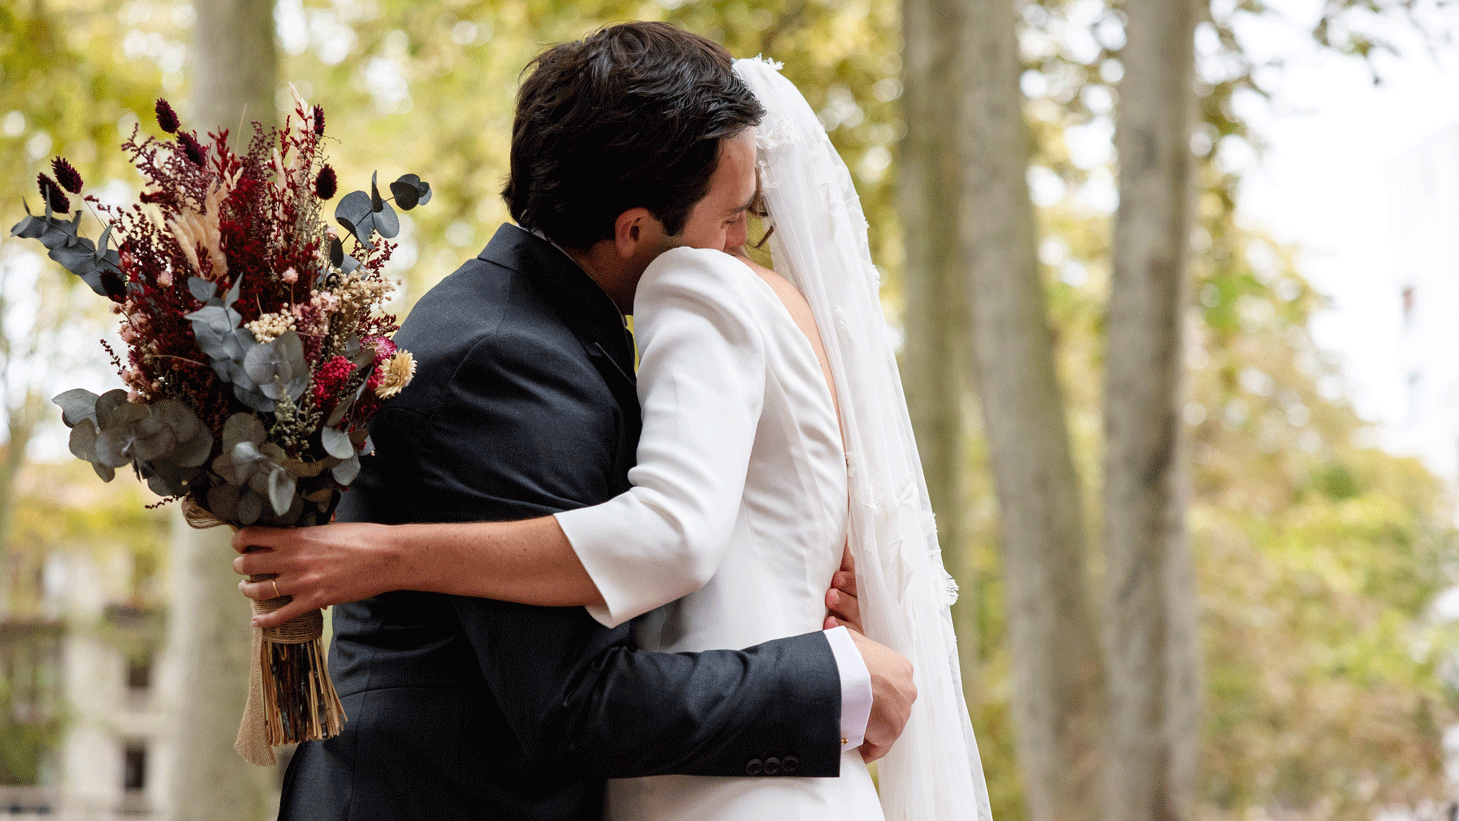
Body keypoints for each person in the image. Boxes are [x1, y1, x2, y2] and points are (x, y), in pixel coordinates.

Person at [236, 46, 993, 821]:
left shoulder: (544, 331)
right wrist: (833, 683)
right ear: (634, 228)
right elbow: (573, 701)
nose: (741, 246)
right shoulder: (508, 358)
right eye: (730, 218)